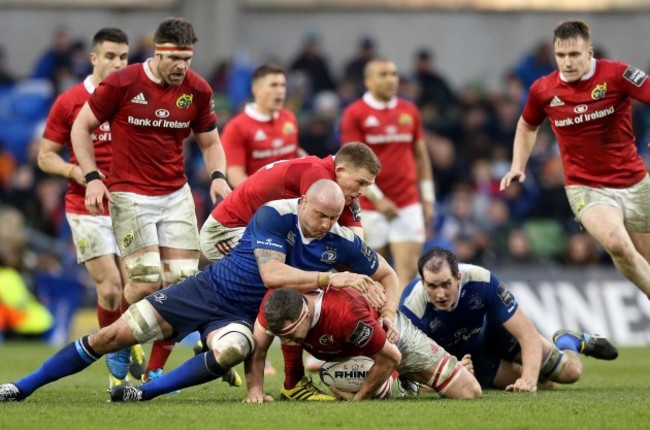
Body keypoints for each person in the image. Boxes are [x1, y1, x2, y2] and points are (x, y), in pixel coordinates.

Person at [0, 180, 398, 403]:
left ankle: (142, 393)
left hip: (240, 319)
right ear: (302, 201)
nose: (326, 223)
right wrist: (333, 279)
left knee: (233, 350)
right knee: (109, 336)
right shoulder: (274, 215)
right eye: (319, 214)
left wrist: (388, 313)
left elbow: (389, 275)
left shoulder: (341, 242)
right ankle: (23, 386)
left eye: (333, 217)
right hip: (203, 291)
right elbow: (273, 274)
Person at [70, 17, 231, 383]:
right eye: (175, 60)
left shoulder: (198, 89)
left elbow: (210, 142)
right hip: (129, 193)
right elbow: (81, 127)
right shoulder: (123, 82)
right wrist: (93, 176)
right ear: (158, 52)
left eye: (188, 60)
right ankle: (123, 345)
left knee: (182, 285)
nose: (182, 67)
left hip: (176, 194)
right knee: (144, 283)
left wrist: (218, 177)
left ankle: (155, 371)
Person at [499, 20, 650, 298]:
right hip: (586, 187)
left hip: (634, 181)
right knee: (616, 243)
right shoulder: (543, 90)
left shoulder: (617, 74)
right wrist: (517, 166)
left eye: (574, 55)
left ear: (589, 52)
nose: (567, 62)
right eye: (561, 55)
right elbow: (527, 125)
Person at [36, 28, 146, 388]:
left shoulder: (136, 99)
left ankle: (126, 339)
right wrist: (78, 172)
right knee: (111, 289)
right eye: (110, 56)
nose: (117, 63)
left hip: (130, 205)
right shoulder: (69, 102)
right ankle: (115, 369)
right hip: (86, 207)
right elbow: (45, 156)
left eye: (123, 56)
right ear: (94, 58)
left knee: (140, 287)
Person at [399, 247, 618, 393]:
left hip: (497, 333)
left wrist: (529, 379)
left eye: (446, 284)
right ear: (422, 281)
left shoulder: (481, 280)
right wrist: (451, 373)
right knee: (547, 386)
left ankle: (568, 341)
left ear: (458, 278)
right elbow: (408, 375)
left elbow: (527, 334)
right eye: (432, 286)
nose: (440, 294)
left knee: (571, 373)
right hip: (473, 361)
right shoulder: (411, 307)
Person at [246, 286, 482, 402]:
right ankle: (406, 384)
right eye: (281, 336)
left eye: (290, 334)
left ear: (305, 313)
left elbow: (391, 357)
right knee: (335, 377)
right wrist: (255, 390)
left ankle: (412, 378)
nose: (287, 342)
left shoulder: (345, 314)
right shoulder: (275, 305)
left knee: (469, 392)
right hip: (351, 351)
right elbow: (259, 347)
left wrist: (359, 399)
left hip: (389, 337)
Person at [340, 58, 434, 289]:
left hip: (407, 200)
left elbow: (421, 156)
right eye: (383, 75)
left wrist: (428, 198)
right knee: (375, 274)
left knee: (409, 271)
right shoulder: (355, 113)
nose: (391, 79)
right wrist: (378, 198)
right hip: (369, 205)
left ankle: (400, 323)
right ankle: (380, 323)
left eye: (393, 74)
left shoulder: (409, 110)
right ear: (368, 81)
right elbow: (352, 163)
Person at [199, 141, 380, 260]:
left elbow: (357, 249)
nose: (363, 192)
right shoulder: (318, 177)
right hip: (226, 232)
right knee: (295, 266)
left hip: (258, 231)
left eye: (367, 185)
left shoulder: (344, 191)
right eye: (360, 182)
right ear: (340, 170)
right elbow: (314, 240)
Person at [221, 63, 301, 188]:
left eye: (283, 85)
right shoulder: (236, 127)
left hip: (293, 195)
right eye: (273, 85)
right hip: (260, 200)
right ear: (256, 89)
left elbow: (295, 152)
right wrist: (265, 197)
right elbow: (235, 175)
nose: (280, 91)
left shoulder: (289, 117)